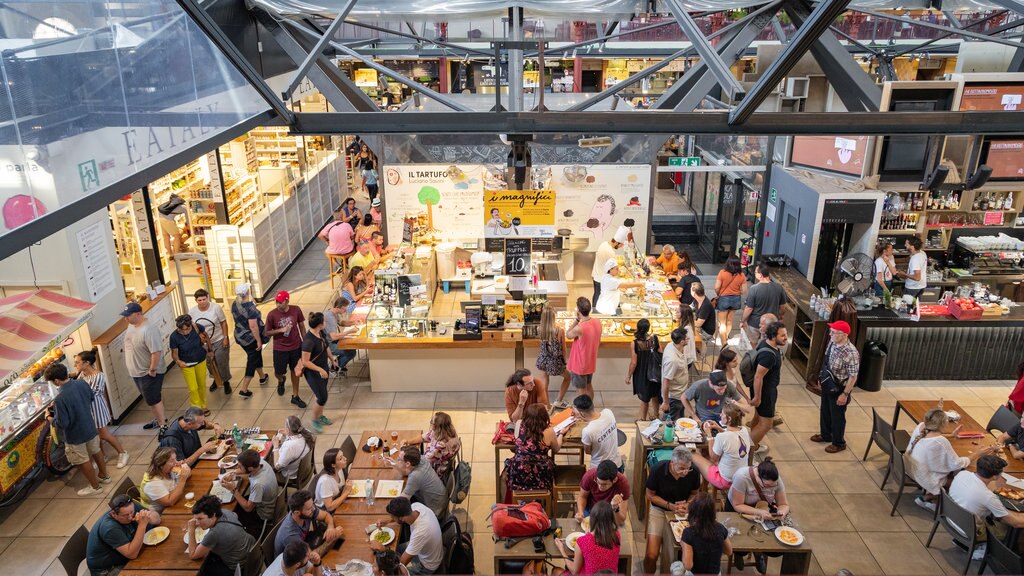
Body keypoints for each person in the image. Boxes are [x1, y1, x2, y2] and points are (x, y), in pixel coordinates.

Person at [907, 408, 996, 510]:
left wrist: (952, 436)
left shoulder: (921, 427)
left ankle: (929, 497)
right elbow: (957, 463)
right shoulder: (941, 441)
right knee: (961, 481)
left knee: (949, 470)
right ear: (944, 423)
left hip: (913, 469)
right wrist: (977, 453)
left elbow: (932, 438)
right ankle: (939, 503)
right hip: (926, 478)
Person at [46, 363, 110, 496]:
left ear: (57, 381)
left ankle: (95, 487)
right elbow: (91, 398)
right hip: (90, 426)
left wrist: (50, 419)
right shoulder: (82, 383)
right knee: (96, 450)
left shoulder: (60, 399)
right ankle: (105, 476)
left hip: (75, 435)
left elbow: (63, 423)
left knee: (82, 460)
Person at [642, 446, 701, 574]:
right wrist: (669, 506)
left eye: (688, 468)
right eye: (681, 468)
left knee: (675, 554)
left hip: (682, 512)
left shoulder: (694, 472)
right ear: (672, 463)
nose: (685, 472)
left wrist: (688, 504)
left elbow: (695, 493)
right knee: (651, 554)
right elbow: (650, 495)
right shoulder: (658, 470)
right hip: (660, 509)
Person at [949, 455, 1024, 550]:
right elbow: (1015, 523)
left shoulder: (962, 474)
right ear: (995, 476)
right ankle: (990, 552)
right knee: (1012, 530)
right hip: (968, 530)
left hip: (952, 518)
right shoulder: (988, 497)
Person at [810, 320, 861, 453]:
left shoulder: (851, 353)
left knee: (837, 416)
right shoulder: (833, 342)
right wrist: (822, 377)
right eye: (831, 331)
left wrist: (844, 394)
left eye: (833, 332)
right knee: (825, 410)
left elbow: (853, 377)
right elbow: (826, 359)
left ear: (844, 335)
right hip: (828, 383)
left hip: (840, 388)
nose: (830, 334)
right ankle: (826, 434)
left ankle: (839, 443)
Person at [74, 349, 129, 469]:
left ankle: (122, 452)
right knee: (95, 436)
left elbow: (91, 394)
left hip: (97, 410)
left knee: (104, 434)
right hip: (88, 411)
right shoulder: (81, 375)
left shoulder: (98, 376)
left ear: (86, 363)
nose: (75, 365)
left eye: (77, 362)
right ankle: (102, 455)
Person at [86, 494, 162, 576]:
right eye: (125, 515)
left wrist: (148, 517)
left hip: (125, 556)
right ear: (113, 514)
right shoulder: (109, 527)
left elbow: (158, 519)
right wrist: (142, 525)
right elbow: (132, 554)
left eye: (132, 512)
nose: (130, 517)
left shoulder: (130, 507)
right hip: (108, 569)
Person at [121, 301, 168, 431]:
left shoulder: (149, 330)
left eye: (128, 316)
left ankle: (163, 426)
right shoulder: (132, 325)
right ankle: (160, 419)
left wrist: (152, 369)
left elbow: (156, 352)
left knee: (153, 400)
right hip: (137, 371)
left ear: (138, 314)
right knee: (153, 397)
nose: (126, 318)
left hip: (148, 372)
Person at [369, 497, 442, 575]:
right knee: (394, 551)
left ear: (400, 518)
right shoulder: (416, 506)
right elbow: (401, 516)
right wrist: (387, 521)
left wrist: (383, 550)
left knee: (387, 571)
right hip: (426, 550)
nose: (391, 518)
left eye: (392, 517)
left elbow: (399, 565)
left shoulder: (420, 532)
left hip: (427, 565)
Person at [186, 495, 257, 576]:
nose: (197, 523)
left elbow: (193, 555)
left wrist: (191, 530)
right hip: (252, 552)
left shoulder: (214, 534)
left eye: (200, 519)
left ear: (213, 515)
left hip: (240, 566)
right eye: (196, 519)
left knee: (203, 570)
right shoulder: (224, 511)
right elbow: (235, 515)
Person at [692, 405, 752, 490]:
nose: (720, 415)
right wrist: (719, 428)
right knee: (705, 454)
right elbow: (732, 436)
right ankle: (704, 487)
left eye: (722, 414)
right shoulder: (744, 430)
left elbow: (713, 458)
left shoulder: (722, 437)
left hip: (725, 481)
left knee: (693, 453)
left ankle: (698, 489)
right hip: (740, 478)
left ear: (729, 419)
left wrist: (709, 435)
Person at [266, 291, 308, 409]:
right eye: (277, 302)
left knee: (296, 371)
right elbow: (267, 332)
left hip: (296, 346)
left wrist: (305, 343)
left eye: (281, 302)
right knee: (278, 372)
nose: (278, 304)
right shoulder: (272, 315)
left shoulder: (296, 310)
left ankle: (295, 396)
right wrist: (280, 330)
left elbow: (301, 326)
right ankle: (281, 380)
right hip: (280, 348)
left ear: (287, 301)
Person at [749, 321, 787, 452]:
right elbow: (758, 377)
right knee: (766, 424)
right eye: (782, 335)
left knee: (758, 417)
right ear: (773, 336)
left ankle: (749, 441)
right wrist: (758, 397)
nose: (785, 338)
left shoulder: (766, 344)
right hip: (765, 391)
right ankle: (747, 449)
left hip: (763, 390)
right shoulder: (769, 355)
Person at [507, 404, 563, 492]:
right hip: (541, 473)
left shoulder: (519, 424)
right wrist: (561, 434)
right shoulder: (549, 431)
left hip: (519, 471)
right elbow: (556, 449)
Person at [555, 501, 620, 575]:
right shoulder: (617, 535)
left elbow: (574, 571)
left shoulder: (582, 542)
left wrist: (562, 550)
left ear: (592, 520)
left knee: (556, 571)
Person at [222, 448, 278, 533]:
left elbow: (248, 508)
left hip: (263, 514)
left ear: (250, 468)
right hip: (271, 501)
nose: (237, 467)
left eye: (240, 466)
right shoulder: (261, 462)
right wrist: (233, 472)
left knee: (231, 512)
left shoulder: (258, 484)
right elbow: (245, 470)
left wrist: (234, 490)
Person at [274, 490, 344, 558]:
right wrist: (331, 540)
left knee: (340, 541)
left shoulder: (308, 510)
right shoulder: (290, 535)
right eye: (309, 509)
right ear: (297, 513)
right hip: (296, 561)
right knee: (336, 549)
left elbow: (326, 515)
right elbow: (310, 558)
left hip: (305, 544)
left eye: (312, 505)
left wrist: (330, 528)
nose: (313, 509)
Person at [190, 288, 232, 394]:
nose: (202, 302)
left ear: (207, 298)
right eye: (199, 300)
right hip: (203, 344)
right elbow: (193, 327)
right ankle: (216, 379)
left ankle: (226, 381)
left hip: (218, 339)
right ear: (196, 301)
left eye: (204, 299)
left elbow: (223, 322)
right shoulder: (192, 311)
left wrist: (226, 337)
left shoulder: (216, 308)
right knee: (210, 363)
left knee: (221, 361)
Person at [231, 283, 269, 399]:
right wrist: (258, 340)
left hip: (239, 335)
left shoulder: (235, 303)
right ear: (247, 292)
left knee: (256, 356)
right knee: (252, 360)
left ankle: (262, 377)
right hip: (250, 338)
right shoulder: (250, 308)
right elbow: (253, 326)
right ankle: (244, 389)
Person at [682, 492, 733, 576]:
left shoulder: (689, 533)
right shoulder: (720, 528)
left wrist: (684, 545)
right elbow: (729, 551)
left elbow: (688, 565)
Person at [301, 312, 336, 432]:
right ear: (320, 325)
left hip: (323, 368)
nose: (326, 323)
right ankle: (315, 420)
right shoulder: (309, 341)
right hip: (313, 372)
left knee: (322, 395)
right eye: (324, 321)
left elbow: (326, 347)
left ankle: (320, 416)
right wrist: (320, 369)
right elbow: (305, 362)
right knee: (322, 397)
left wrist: (332, 359)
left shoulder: (320, 332)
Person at [563, 297, 602, 404]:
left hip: (579, 364)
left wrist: (576, 320)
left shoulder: (580, 328)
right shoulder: (597, 322)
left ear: (578, 311)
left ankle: (583, 412)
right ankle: (590, 407)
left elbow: (568, 334)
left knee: (581, 390)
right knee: (589, 386)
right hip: (590, 361)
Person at [395, 445, 449, 519]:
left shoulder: (415, 476)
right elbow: (405, 472)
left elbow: (402, 502)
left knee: (400, 517)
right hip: (440, 502)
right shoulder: (421, 459)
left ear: (407, 464)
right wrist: (395, 465)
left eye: (399, 459)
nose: (397, 460)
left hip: (435, 511)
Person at [169, 314, 210, 412]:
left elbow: (206, 336)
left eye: (187, 329)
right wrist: (178, 361)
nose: (185, 332)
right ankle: (196, 407)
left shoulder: (197, 327)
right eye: (181, 330)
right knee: (193, 388)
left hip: (200, 360)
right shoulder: (174, 337)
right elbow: (174, 353)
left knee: (201, 385)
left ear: (191, 325)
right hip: (186, 364)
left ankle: (203, 405)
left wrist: (210, 349)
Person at [406, 412, 462, 480]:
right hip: (439, 464)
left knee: (408, 474)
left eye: (431, 422)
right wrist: (408, 442)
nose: (430, 424)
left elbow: (422, 463)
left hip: (435, 474)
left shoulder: (440, 447)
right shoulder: (449, 431)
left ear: (437, 426)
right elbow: (424, 437)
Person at [742, 263, 788, 344]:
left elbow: (749, 308)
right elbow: (783, 307)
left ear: (760, 275)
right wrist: (779, 316)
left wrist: (743, 320)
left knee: (753, 343)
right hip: (771, 325)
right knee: (768, 343)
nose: (754, 274)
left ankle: (756, 355)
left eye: (756, 272)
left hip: (755, 323)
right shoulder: (779, 288)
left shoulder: (754, 289)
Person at [575, 394, 622, 471]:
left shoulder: (588, 431)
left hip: (600, 470)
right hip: (617, 465)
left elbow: (587, 451)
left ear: (582, 413)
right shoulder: (608, 412)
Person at [626, 318, 661, 420]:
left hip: (642, 373)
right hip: (654, 372)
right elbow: (660, 353)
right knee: (654, 395)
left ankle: (643, 419)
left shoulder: (635, 343)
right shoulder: (655, 339)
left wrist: (628, 375)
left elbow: (634, 362)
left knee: (645, 399)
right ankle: (656, 415)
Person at [575, 460, 629, 525]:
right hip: (591, 509)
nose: (600, 486)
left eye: (604, 484)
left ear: (614, 480)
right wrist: (580, 512)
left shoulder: (623, 484)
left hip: (609, 512)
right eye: (597, 482)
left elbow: (620, 521)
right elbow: (582, 496)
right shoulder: (589, 476)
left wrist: (615, 507)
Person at [139, 447, 190, 513]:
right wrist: (182, 480)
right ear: (161, 464)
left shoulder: (168, 470)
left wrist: (184, 466)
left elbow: (188, 474)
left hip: (177, 503)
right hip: (161, 514)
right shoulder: (152, 484)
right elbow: (170, 502)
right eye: (172, 461)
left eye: (175, 459)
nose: (176, 462)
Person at [535, 306, 569, 403]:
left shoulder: (539, 329)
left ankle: (547, 406)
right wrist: (564, 360)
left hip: (543, 360)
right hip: (555, 362)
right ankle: (558, 400)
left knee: (544, 384)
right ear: (553, 317)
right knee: (568, 377)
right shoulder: (559, 330)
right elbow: (563, 349)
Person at [714, 255, 747, 347]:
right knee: (729, 320)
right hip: (735, 299)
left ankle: (724, 342)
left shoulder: (722, 273)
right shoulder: (742, 275)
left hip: (724, 298)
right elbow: (744, 290)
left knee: (722, 322)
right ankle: (726, 337)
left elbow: (716, 287)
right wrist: (737, 291)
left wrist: (719, 293)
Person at [273, 415, 315, 484]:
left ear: (288, 429)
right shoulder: (306, 433)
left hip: (292, 476)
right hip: (304, 469)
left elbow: (277, 466)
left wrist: (275, 446)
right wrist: (288, 434)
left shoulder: (289, 446)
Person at [591, 226, 627, 303]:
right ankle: (597, 313)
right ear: (617, 242)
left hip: (596, 274)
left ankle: (594, 310)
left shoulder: (604, 244)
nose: (621, 247)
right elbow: (613, 271)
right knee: (599, 296)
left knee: (596, 294)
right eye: (621, 245)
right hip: (601, 278)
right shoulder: (611, 252)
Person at [660, 327, 690, 416]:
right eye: (686, 338)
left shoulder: (671, 345)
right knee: (671, 423)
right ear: (682, 342)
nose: (688, 338)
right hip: (674, 398)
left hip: (681, 394)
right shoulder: (672, 360)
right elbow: (666, 382)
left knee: (679, 420)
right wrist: (665, 402)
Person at [325, 297, 359, 375]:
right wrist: (350, 331)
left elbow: (341, 322)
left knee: (351, 345)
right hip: (328, 345)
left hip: (332, 340)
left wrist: (353, 322)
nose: (345, 310)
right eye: (344, 309)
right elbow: (333, 337)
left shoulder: (333, 312)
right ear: (338, 307)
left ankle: (337, 363)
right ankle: (334, 368)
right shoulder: (330, 318)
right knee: (351, 352)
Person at [314, 448, 349, 513]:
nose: (345, 459)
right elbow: (329, 507)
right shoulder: (325, 481)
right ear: (333, 465)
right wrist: (346, 492)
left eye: (343, 456)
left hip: (338, 498)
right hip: (326, 512)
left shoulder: (339, 469)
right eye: (340, 459)